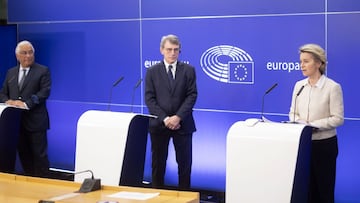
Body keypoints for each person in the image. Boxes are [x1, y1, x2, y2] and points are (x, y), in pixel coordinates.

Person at [289, 43, 344, 203]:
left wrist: (312, 124)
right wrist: (297, 122)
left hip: (324, 146)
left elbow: (337, 118)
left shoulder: (332, 87)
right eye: (301, 61)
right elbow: (292, 112)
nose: (302, 65)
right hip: (303, 145)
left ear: (319, 63)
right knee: (306, 190)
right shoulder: (299, 86)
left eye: (306, 61)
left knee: (323, 190)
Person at [145, 34, 197, 190]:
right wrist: (166, 119)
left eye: (176, 50)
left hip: (183, 125)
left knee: (185, 165)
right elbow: (149, 99)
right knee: (158, 165)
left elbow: (192, 95)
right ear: (162, 50)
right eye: (169, 49)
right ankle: (157, 198)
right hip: (159, 126)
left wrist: (178, 117)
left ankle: (185, 198)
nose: (172, 53)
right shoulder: (152, 72)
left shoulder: (189, 70)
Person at [0, 40, 51, 178]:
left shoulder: (42, 71)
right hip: (16, 124)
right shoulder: (11, 72)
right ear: (17, 56)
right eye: (24, 53)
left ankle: (44, 186)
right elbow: (3, 92)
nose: (28, 56)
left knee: (39, 158)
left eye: (30, 52)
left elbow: (44, 93)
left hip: (36, 122)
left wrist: (25, 104)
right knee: (24, 157)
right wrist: (8, 101)